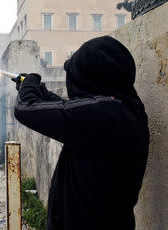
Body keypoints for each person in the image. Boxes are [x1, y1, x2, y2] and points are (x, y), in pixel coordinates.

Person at [13, 36, 149, 230]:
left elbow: (25, 108)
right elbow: (69, 111)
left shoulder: (102, 113)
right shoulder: (123, 107)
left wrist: (30, 83)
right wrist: (41, 91)